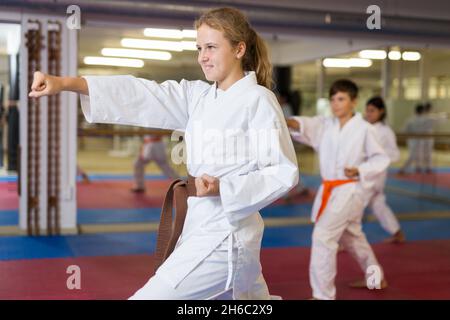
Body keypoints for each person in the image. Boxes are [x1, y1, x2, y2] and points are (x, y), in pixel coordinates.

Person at [29, 7, 299, 300]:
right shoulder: (199, 96)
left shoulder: (258, 99)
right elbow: (143, 94)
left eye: (211, 47)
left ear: (239, 49)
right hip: (199, 225)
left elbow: (282, 171)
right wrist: (66, 83)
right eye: (199, 48)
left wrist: (225, 187)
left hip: (227, 234)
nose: (202, 57)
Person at [287, 79, 390, 300]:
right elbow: (304, 125)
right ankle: (375, 279)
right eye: (333, 99)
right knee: (354, 238)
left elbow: (381, 158)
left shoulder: (364, 129)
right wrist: (283, 119)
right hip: (331, 190)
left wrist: (361, 169)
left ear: (354, 101)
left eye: (341, 98)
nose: (336, 103)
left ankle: (323, 295)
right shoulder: (327, 125)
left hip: (349, 190)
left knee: (323, 237)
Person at [364, 97, 405, 243]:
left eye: (372, 111)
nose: (368, 113)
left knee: (353, 206)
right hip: (362, 172)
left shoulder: (386, 131)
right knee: (378, 205)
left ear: (381, 112)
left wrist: (379, 156)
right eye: (367, 110)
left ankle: (344, 241)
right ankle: (397, 233)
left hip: (375, 176)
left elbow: (395, 155)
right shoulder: (363, 127)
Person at [399, 105, 426, 174]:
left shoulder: (424, 119)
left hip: (419, 140)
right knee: (413, 155)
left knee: (420, 154)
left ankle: (418, 167)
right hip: (413, 140)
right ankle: (403, 169)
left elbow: (403, 130)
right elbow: (404, 130)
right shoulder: (411, 120)